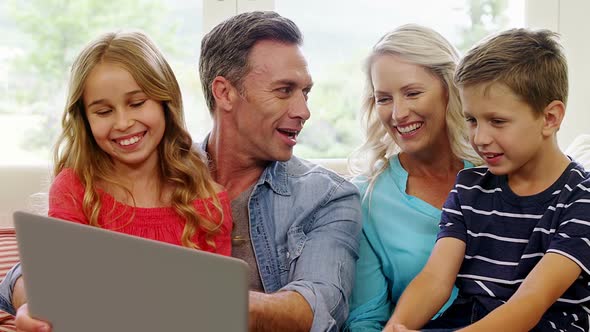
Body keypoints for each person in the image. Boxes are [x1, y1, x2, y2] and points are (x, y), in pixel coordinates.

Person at [0, 30, 233, 330]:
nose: (123, 123)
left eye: (137, 103)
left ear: (165, 101)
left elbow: (216, 310)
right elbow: (58, 288)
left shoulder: (206, 200)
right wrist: (34, 311)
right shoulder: (75, 188)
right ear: (84, 118)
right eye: (104, 111)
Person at [386, 28, 590, 332]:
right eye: (472, 120)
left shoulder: (581, 198)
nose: (479, 138)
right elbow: (435, 279)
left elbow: (530, 301)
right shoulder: (469, 187)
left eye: (497, 121)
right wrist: (398, 325)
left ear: (550, 118)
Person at [197, 11, 361, 332]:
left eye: (305, 92)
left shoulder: (329, 197)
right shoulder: (158, 176)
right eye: (284, 90)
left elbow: (317, 308)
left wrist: (196, 300)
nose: (303, 111)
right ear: (224, 92)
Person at [343, 24, 481, 331]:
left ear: (450, 89)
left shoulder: (496, 170)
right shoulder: (366, 198)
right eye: (384, 99)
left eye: (412, 93)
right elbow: (365, 320)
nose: (398, 114)